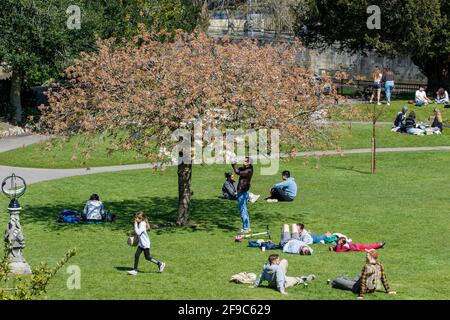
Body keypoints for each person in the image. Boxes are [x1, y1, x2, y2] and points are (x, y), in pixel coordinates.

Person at [330, 250, 397, 299]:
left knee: (337, 280)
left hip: (358, 288)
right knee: (359, 275)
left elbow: (363, 281)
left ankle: (340, 279)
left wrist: (361, 295)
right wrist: (388, 291)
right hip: (373, 288)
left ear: (371, 256)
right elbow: (383, 278)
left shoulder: (367, 266)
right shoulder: (380, 264)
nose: (366, 256)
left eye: (367, 255)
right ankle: (345, 279)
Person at [232, 157, 254, 233]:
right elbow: (238, 170)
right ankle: (247, 227)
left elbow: (237, 172)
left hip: (242, 191)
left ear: (249, 163)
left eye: (245, 161)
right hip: (243, 190)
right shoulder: (246, 168)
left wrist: (233, 163)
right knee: (244, 209)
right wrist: (234, 164)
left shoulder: (248, 170)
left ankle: (246, 228)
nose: (243, 162)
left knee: (243, 209)